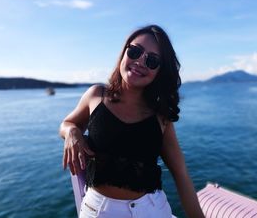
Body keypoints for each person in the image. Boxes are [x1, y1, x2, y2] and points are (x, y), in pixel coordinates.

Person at [59, 25, 205, 218]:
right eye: (135, 51)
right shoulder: (96, 95)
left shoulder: (161, 116)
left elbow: (181, 174)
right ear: (124, 52)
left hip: (151, 210)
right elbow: (67, 123)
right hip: (98, 211)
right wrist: (72, 132)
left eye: (152, 60)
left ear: (159, 71)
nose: (140, 62)